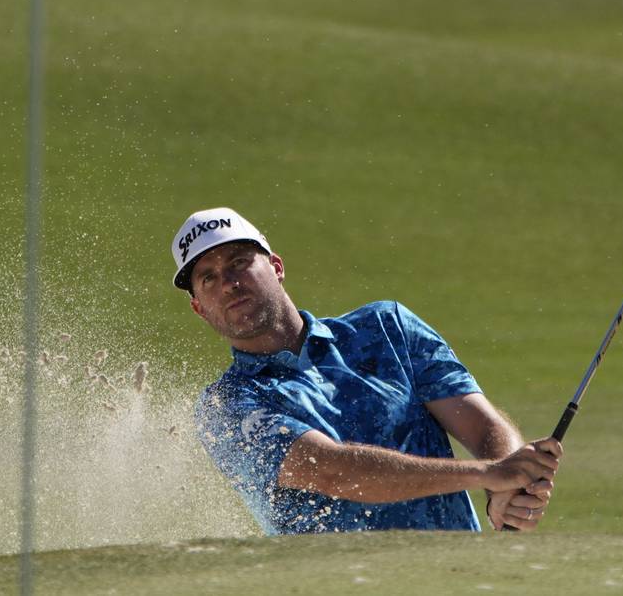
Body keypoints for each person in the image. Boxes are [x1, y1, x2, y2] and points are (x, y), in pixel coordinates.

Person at [172, 207, 563, 535]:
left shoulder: (387, 327)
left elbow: (484, 426)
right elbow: (332, 472)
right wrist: (488, 475)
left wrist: (506, 491)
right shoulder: (224, 407)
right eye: (208, 278)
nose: (229, 283)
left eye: (239, 262)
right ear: (198, 308)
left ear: (276, 267)